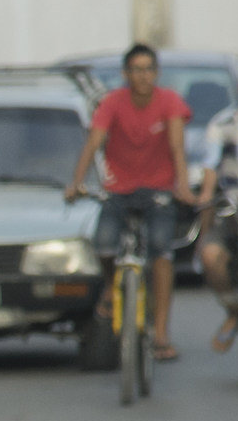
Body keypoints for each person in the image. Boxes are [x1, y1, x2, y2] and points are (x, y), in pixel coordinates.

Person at [65, 44, 195, 360]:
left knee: (161, 250)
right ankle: (112, 285)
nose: (143, 76)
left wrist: (183, 187)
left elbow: (177, 147)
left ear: (156, 73)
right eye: (136, 70)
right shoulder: (113, 102)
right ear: (126, 74)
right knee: (105, 244)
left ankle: (161, 333)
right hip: (119, 189)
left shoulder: (169, 102)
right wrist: (77, 182)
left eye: (148, 69)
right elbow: (94, 141)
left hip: (158, 190)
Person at [194, 60, 238, 350]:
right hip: (233, 210)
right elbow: (210, 168)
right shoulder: (223, 124)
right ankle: (234, 312)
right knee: (211, 256)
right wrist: (206, 195)